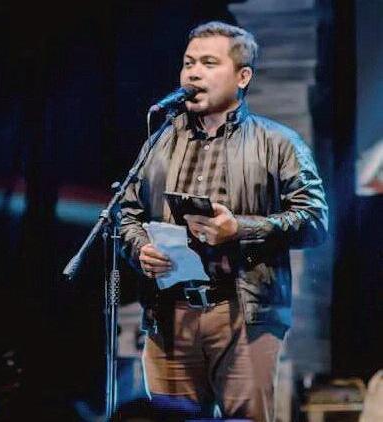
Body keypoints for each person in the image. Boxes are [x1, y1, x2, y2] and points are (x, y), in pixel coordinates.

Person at [119, 21, 328, 421]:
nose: (193, 73)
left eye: (209, 63)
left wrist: (241, 229)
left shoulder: (278, 142)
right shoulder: (160, 140)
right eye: (188, 63)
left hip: (243, 314)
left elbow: (315, 219)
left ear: (242, 76)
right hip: (170, 314)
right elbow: (126, 213)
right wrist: (140, 248)